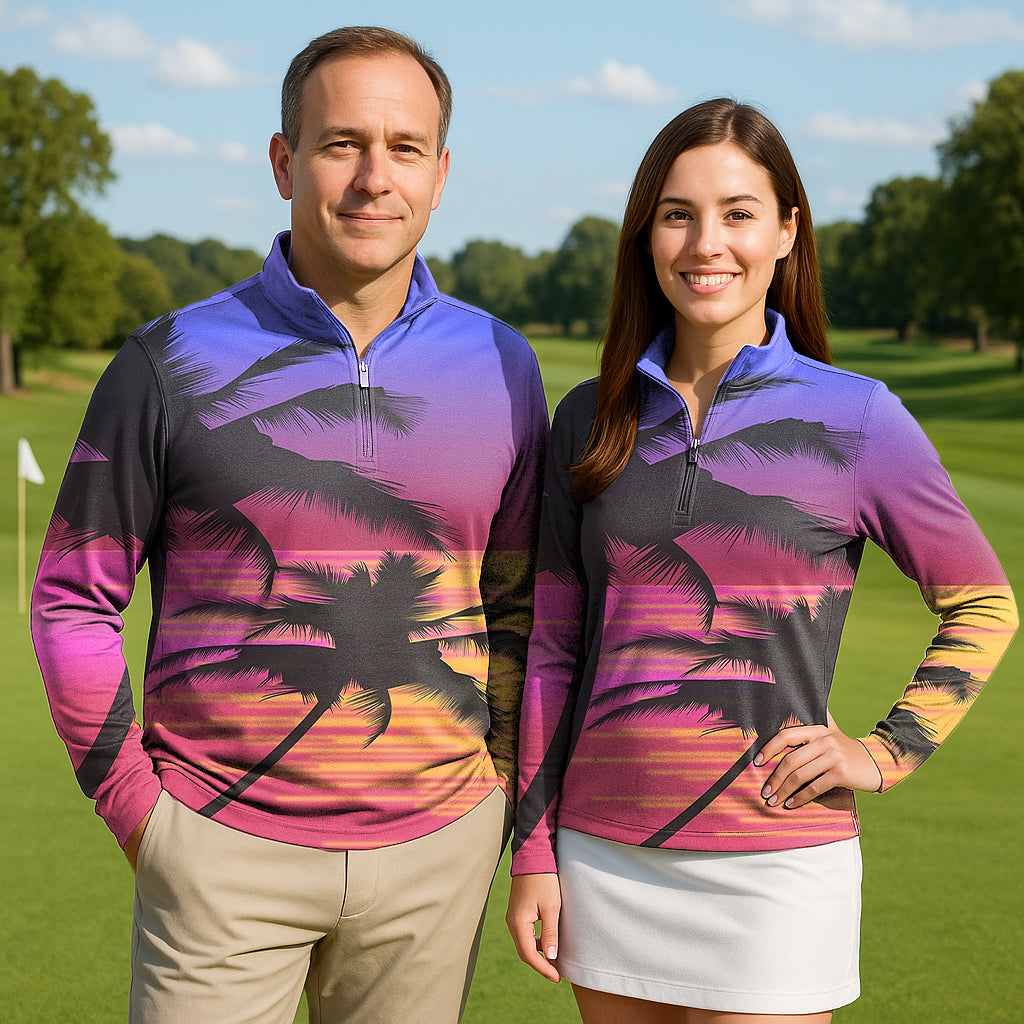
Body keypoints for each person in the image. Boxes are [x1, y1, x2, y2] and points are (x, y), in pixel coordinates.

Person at [32, 25, 548, 1024]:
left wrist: (493, 793)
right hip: (216, 853)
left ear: (440, 175)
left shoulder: (504, 365)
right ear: (283, 161)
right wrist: (143, 816)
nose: (371, 178)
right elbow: (70, 598)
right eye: (339, 143)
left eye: (404, 149)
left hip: (433, 858)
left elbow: (521, 607)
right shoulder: (165, 360)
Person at [505, 98, 1017, 1023]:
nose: (708, 243)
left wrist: (885, 750)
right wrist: (535, 849)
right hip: (603, 851)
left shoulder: (857, 418)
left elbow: (983, 603)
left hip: (776, 863)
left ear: (786, 232)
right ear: (646, 235)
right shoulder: (588, 418)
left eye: (739, 213)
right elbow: (552, 650)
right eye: (678, 214)